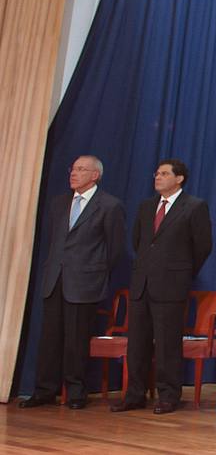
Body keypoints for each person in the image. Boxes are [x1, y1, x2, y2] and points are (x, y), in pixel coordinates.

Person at [20, 155, 125, 410]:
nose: (74, 173)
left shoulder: (109, 205)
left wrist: (93, 272)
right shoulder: (59, 203)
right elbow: (55, 241)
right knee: (49, 339)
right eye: (73, 168)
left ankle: (76, 392)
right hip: (55, 279)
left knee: (77, 340)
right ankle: (45, 391)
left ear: (95, 175)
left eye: (81, 169)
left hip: (84, 283)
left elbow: (115, 249)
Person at [112, 159, 213, 414]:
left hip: (171, 286)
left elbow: (202, 246)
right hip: (142, 283)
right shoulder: (147, 207)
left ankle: (168, 396)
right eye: (156, 173)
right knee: (137, 343)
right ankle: (134, 394)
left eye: (164, 173)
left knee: (168, 344)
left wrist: (181, 272)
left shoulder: (194, 206)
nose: (158, 177)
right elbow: (138, 242)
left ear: (179, 179)